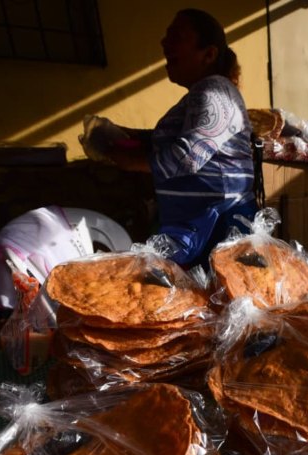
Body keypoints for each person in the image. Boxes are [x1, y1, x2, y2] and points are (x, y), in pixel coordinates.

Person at [86, 9, 257, 268]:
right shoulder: (202, 94)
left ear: (208, 54)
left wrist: (128, 160)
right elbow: (180, 138)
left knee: (210, 301)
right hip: (200, 224)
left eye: (176, 36)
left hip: (217, 227)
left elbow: (189, 156)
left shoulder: (213, 91)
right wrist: (129, 136)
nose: (164, 43)